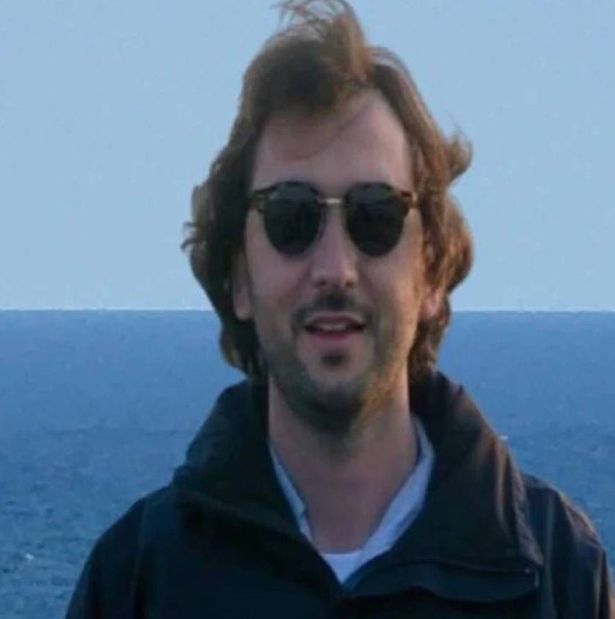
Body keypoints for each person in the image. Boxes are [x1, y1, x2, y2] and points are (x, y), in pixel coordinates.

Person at [66, 1, 614, 616]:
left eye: (375, 216)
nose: (335, 268)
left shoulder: (556, 576)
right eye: (290, 217)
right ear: (239, 275)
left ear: (432, 268)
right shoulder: (138, 582)